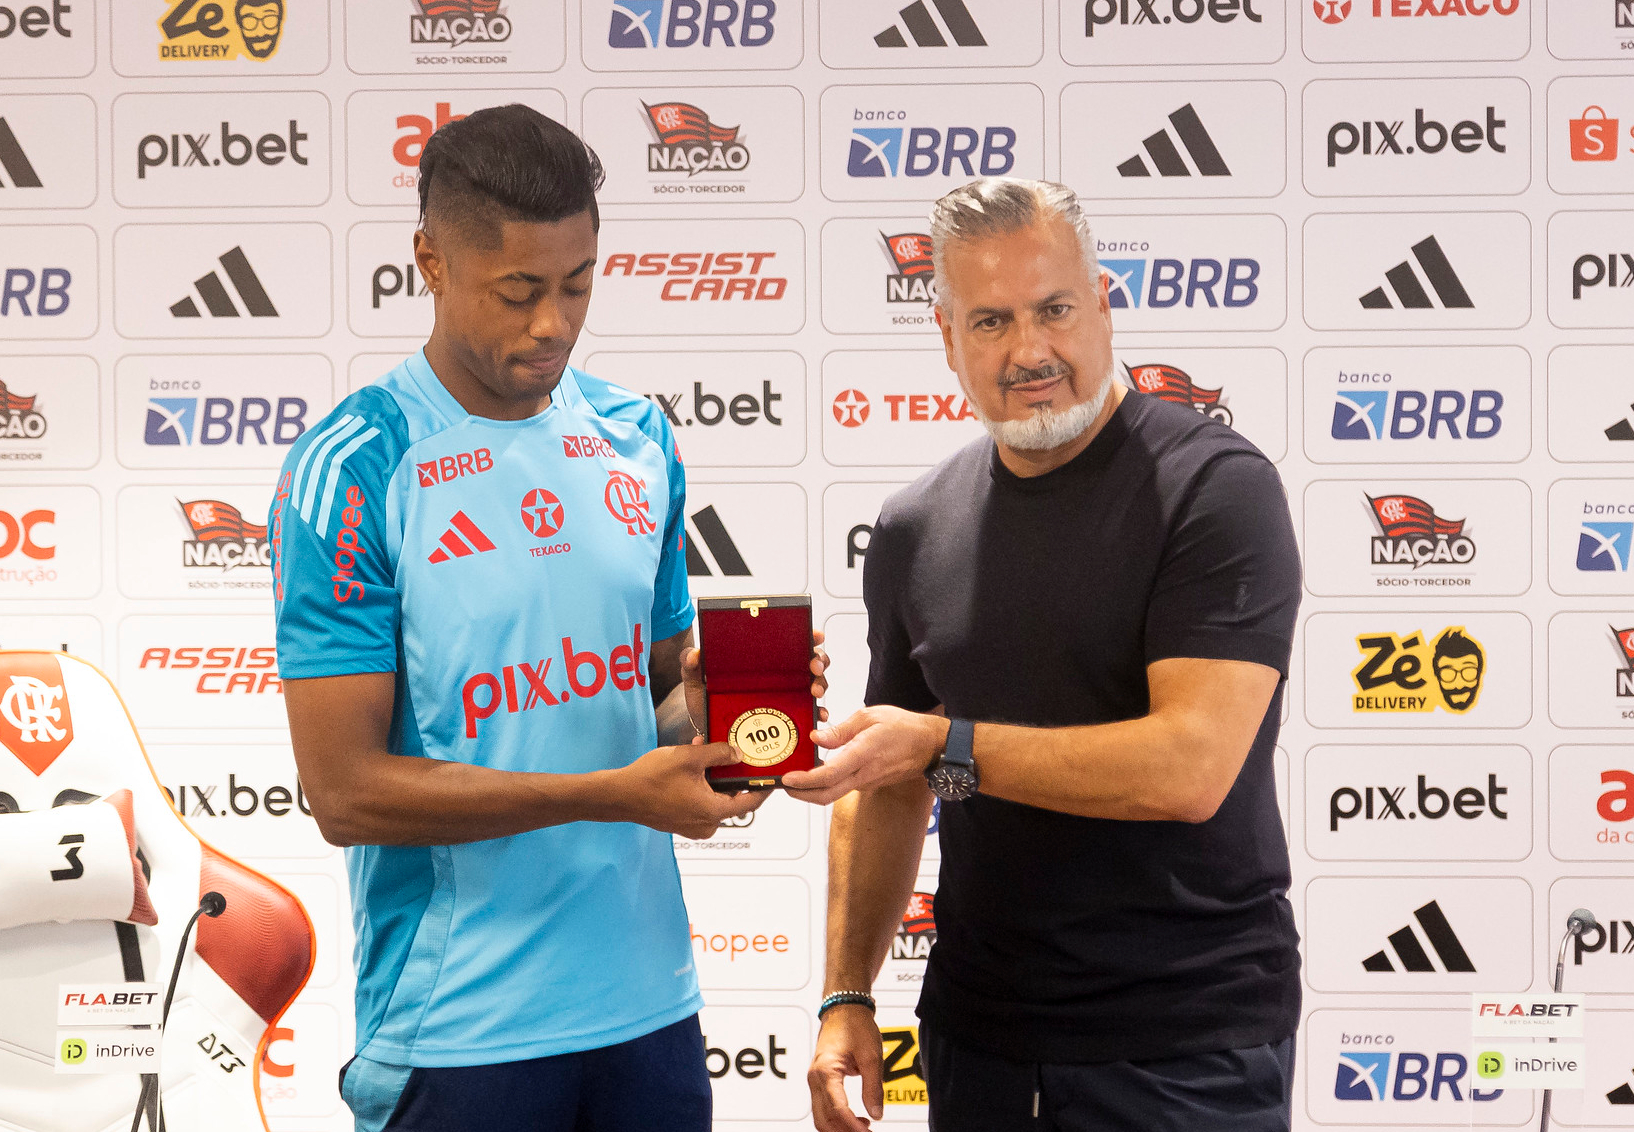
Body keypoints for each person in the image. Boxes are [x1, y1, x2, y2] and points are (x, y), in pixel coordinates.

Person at [268, 105, 826, 1132]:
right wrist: (613, 793)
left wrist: (702, 715)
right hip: (458, 1030)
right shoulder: (355, 467)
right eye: (518, 292)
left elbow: (651, 702)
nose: (553, 324)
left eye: (577, 285)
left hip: (650, 1010)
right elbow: (345, 792)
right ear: (429, 262)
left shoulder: (635, 436)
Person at [789, 178, 1303, 1132]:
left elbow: (1187, 769)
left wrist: (943, 744)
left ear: (1104, 302)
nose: (1030, 352)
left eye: (1054, 310)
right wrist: (845, 993)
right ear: (946, 336)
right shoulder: (912, 526)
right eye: (990, 321)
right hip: (979, 1038)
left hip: (1186, 1046)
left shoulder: (1216, 491)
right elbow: (885, 777)